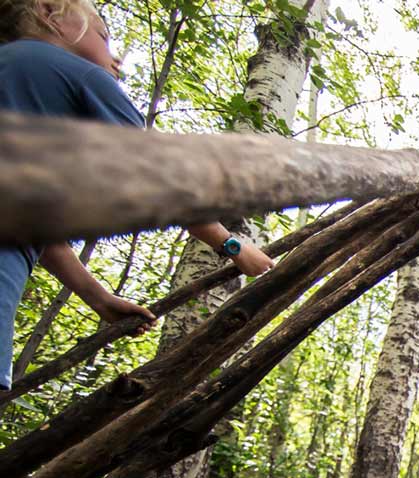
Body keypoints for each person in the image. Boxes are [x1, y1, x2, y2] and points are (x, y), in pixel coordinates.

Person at [0, 0, 275, 391]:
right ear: (51, 14)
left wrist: (98, 298)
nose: (117, 62)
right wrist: (232, 245)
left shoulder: (17, 76)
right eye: (104, 37)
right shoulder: (82, 76)